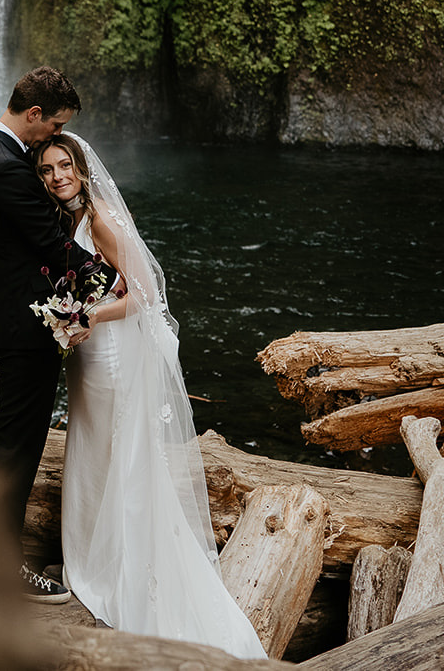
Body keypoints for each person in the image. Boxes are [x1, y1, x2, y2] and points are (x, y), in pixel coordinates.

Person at [32, 132, 268, 659]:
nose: (56, 177)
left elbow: (145, 295)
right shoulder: (68, 221)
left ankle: (121, 569)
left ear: (81, 168)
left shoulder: (101, 221)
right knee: (91, 454)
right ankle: (91, 559)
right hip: (87, 359)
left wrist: (83, 315)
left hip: (111, 356)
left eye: (63, 165)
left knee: (120, 458)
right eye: (47, 170)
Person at [0, 66, 101, 604]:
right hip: (26, 326)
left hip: (19, 318)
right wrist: (113, 278)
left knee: (7, 441)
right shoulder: (4, 166)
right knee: (17, 449)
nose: (54, 136)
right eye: (55, 125)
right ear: (33, 115)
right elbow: (51, 244)